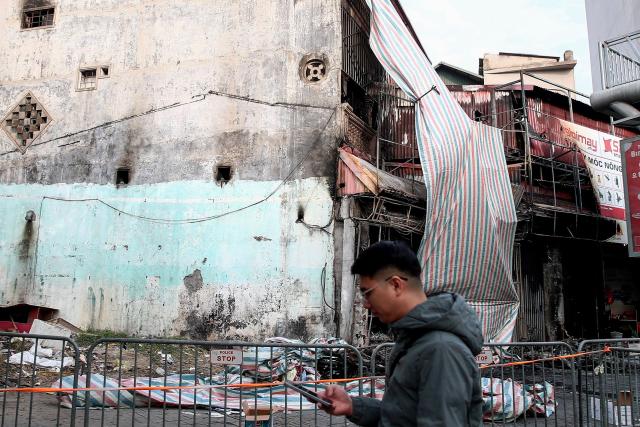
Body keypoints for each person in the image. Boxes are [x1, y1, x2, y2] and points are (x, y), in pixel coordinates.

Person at [319, 241, 484, 426]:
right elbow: (402, 415)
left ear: (396, 285)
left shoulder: (441, 350)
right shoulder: (416, 340)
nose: (365, 303)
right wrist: (352, 406)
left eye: (368, 293)